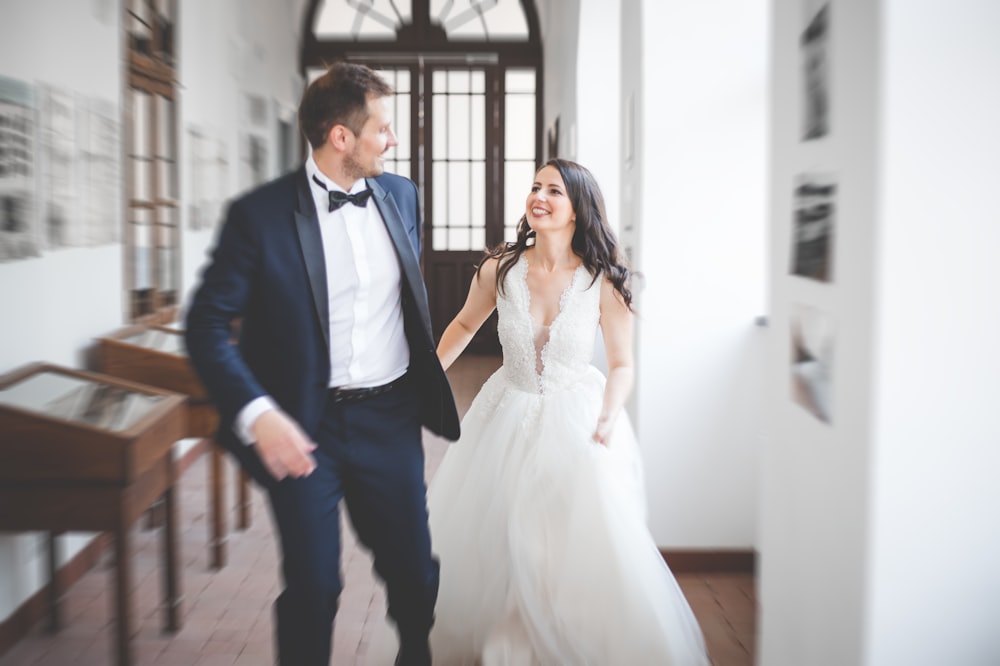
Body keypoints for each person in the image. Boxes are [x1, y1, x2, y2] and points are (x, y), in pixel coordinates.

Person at [370, 158, 710, 665]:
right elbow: (463, 326)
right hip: (505, 413)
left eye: (554, 190)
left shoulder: (604, 280)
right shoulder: (500, 270)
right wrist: (422, 377)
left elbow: (621, 365)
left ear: (577, 208)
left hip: (579, 422)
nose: (539, 197)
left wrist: (610, 415)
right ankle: (507, 642)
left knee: (562, 549)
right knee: (503, 541)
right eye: (535, 187)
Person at [184, 62, 460, 666]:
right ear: (341, 137)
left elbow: (409, 302)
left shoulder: (401, 196)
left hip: (389, 417)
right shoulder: (257, 216)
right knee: (314, 587)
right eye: (382, 128)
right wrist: (258, 414)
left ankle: (415, 652)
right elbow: (204, 325)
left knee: (414, 574)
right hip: (303, 427)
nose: (391, 140)